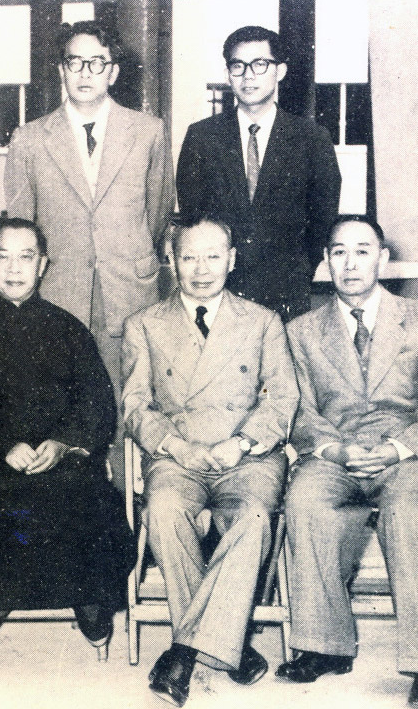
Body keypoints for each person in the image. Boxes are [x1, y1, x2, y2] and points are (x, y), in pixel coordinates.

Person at [279, 216, 418, 708]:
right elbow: (299, 408)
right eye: (339, 251)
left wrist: (398, 448)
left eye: (363, 250)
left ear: (383, 259)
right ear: (326, 261)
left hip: (409, 452)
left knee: (404, 512)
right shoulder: (301, 332)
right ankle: (324, 645)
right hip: (335, 452)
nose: (350, 262)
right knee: (305, 501)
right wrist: (336, 450)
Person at [120, 214, 299, 707]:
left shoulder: (263, 321)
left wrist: (240, 444)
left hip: (248, 456)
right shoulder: (144, 325)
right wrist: (178, 447)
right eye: (189, 256)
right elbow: (134, 405)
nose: (201, 270)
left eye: (213, 256)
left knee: (254, 517)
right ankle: (229, 645)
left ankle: (184, 649)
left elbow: (282, 400)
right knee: (164, 510)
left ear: (232, 260)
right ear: (170, 260)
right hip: (178, 455)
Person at [0, 218, 136, 647]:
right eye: (2, 256)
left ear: (43, 265)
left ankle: (88, 595)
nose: (14, 268)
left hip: (62, 463)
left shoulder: (69, 330)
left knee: (90, 501)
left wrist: (63, 443)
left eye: (26, 257)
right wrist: (2, 445)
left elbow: (97, 404)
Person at [3, 20, 174, 485]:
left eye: (96, 63)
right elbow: (20, 229)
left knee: (128, 403)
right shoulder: (30, 138)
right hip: (60, 294)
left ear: (113, 72)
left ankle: (128, 504)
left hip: (129, 292)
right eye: (75, 62)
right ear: (61, 69)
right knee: (64, 410)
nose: (85, 73)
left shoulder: (148, 131)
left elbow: (156, 212)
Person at [176, 25, 341, 321]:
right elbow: (193, 216)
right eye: (238, 66)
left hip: (286, 291)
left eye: (260, 64)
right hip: (220, 291)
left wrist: (301, 268)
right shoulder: (202, 137)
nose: (248, 75)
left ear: (280, 71)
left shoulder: (312, 138)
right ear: (228, 74)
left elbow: (323, 217)